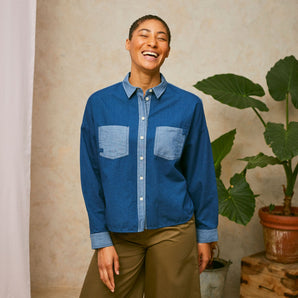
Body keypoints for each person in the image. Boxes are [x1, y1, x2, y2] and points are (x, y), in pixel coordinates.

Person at [79, 15, 218, 298]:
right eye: (144, 35)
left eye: (162, 38)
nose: (152, 42)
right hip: (119, 233)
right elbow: (91, 175)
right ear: (129, 44)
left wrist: (205, 235)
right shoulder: (99, 104)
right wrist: (101, 239)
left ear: (167, 50)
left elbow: (200, 173)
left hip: (173, 231)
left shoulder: (188, 105)